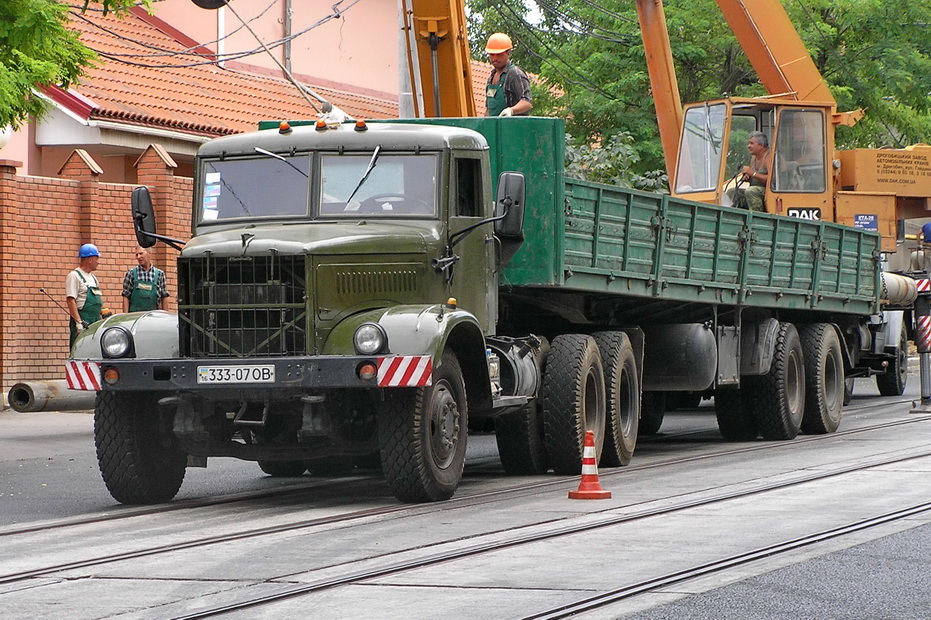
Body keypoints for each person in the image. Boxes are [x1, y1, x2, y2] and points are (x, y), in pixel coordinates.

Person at [484, 33, 532, 118]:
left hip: (513, 127)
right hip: (495, 127)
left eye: (499, 54)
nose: (495, 58)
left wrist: (511, 110)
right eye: (492, 54)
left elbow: (527, 102)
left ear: (508, 53)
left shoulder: (515, 74)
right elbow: (489, 110)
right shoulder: (491, 77)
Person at [66, 243, 104, 348]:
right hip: (83, 321)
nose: (98, 262)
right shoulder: (74, 276)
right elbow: (70, 300)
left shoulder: (93, 278)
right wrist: (78, 322)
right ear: (90, 259)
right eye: (97, 258)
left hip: (95, 321)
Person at [122, 245, 169, 312]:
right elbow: (126, 296)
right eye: (136, 255)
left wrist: (166, 318)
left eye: (141, 253)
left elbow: (164, 297)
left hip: (153, 318)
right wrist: (125, 317)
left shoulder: (159, 274)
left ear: (149, 253)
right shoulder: (131, 273)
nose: (138, 257)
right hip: (135, 318)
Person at [736, 131, 771, 212]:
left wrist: (753, 173)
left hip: (768, 192)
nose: (748, 146)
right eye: (749, 143)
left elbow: (773, 179)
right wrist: (747, 177)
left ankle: (756, 218)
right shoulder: (753, 157)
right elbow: (753, 176)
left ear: (761, 145)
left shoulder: (769, 157)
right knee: (733, 192)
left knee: (751, 191)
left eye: (751, 143)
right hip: (755, 189)